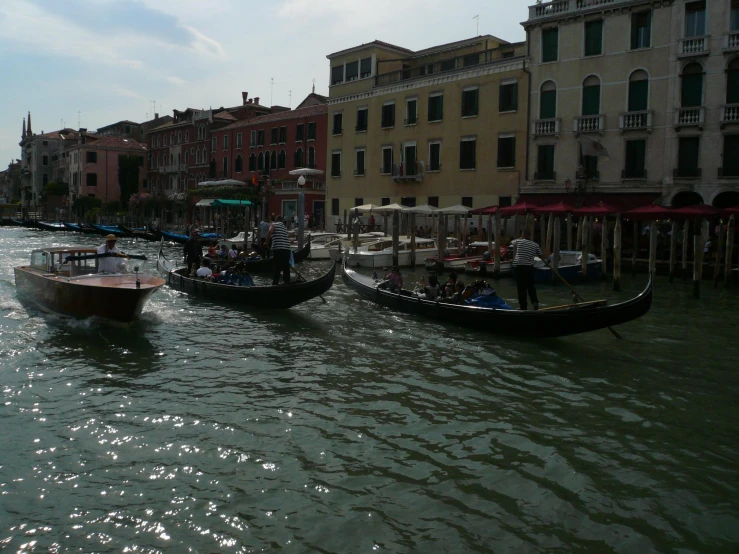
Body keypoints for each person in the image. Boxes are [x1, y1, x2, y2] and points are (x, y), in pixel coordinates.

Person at [511, 229, 544, 310]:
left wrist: (520, 238)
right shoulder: (535, 245)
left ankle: (523, 306)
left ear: (523, 235)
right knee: (531, 286)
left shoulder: (518, 241)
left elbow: (512, 242)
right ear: (530, 235)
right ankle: (535, 302)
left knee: (521, 288)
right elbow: (541, 255)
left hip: (519, 267)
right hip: (529, 267)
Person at [266, 215, 291, 285]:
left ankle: (275, 283)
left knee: (277, 267)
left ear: (276, 220)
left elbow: (270, 231)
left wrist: (266, 242)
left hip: (278, 249)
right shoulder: (284, 228)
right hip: (287, 249)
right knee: (286, 267)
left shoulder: (273, 224)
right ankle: (287, 282)